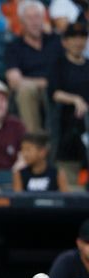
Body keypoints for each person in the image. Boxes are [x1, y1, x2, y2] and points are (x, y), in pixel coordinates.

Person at [5, 0, 62, 133]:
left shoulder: (56, 41)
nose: (34, 22)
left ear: (43, 19)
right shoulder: (14, 47)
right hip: (34, 90)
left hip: (60, 88)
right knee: (25, 90)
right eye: (29, 18)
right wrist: (44, 83)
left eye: (37, 17)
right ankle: (34, 141)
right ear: (21, 22)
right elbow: (14, 81)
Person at [48, 22, 89, 178]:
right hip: (67, 118)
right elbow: (54, 93)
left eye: (83, 37)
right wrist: (75, 99)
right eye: (74, 37)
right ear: (65, 41)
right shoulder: (58, 64)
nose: (78, 41)